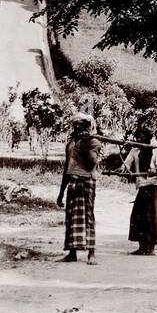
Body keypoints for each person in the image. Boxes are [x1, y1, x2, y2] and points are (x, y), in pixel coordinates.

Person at [57, 112, 102, 264]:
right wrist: (61, 193)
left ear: (88, 126)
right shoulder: (70, 143)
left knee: (88, 216)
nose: (77, 126)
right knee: (71, 218)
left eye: (80, 124)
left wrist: (84, 144)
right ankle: (72, 252)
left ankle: (91, 253)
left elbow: (91, 164)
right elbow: (66, 167)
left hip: (86, 181)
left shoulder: (93, 142)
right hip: (72, 181)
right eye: (75, 124)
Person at [122, 127, 157, 255]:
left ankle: (151, 248)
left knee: (152, 217)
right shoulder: (135, 151)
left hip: (155, 186)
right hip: (143, 186)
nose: (140, 139)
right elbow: (126, 164)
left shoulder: (156, 151)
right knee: (138, 216)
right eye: (138, 137)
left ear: (148, 138)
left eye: (142, 137)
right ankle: (142, 247)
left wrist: (155, 172)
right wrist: (123, 170)